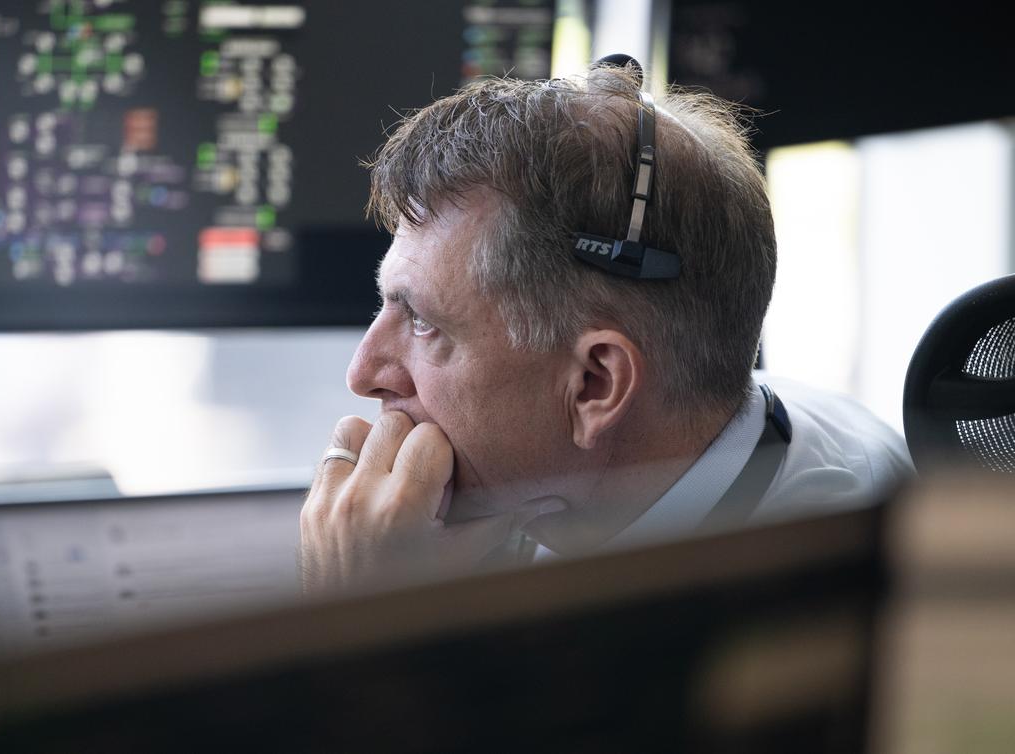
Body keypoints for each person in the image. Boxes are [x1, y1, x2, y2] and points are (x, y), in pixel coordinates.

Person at [297, 60, 912, 595]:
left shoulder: (797, 596)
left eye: (424, 323)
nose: (363, 373)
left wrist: (360, 608)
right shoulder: (700, 441)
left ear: (595, 384)